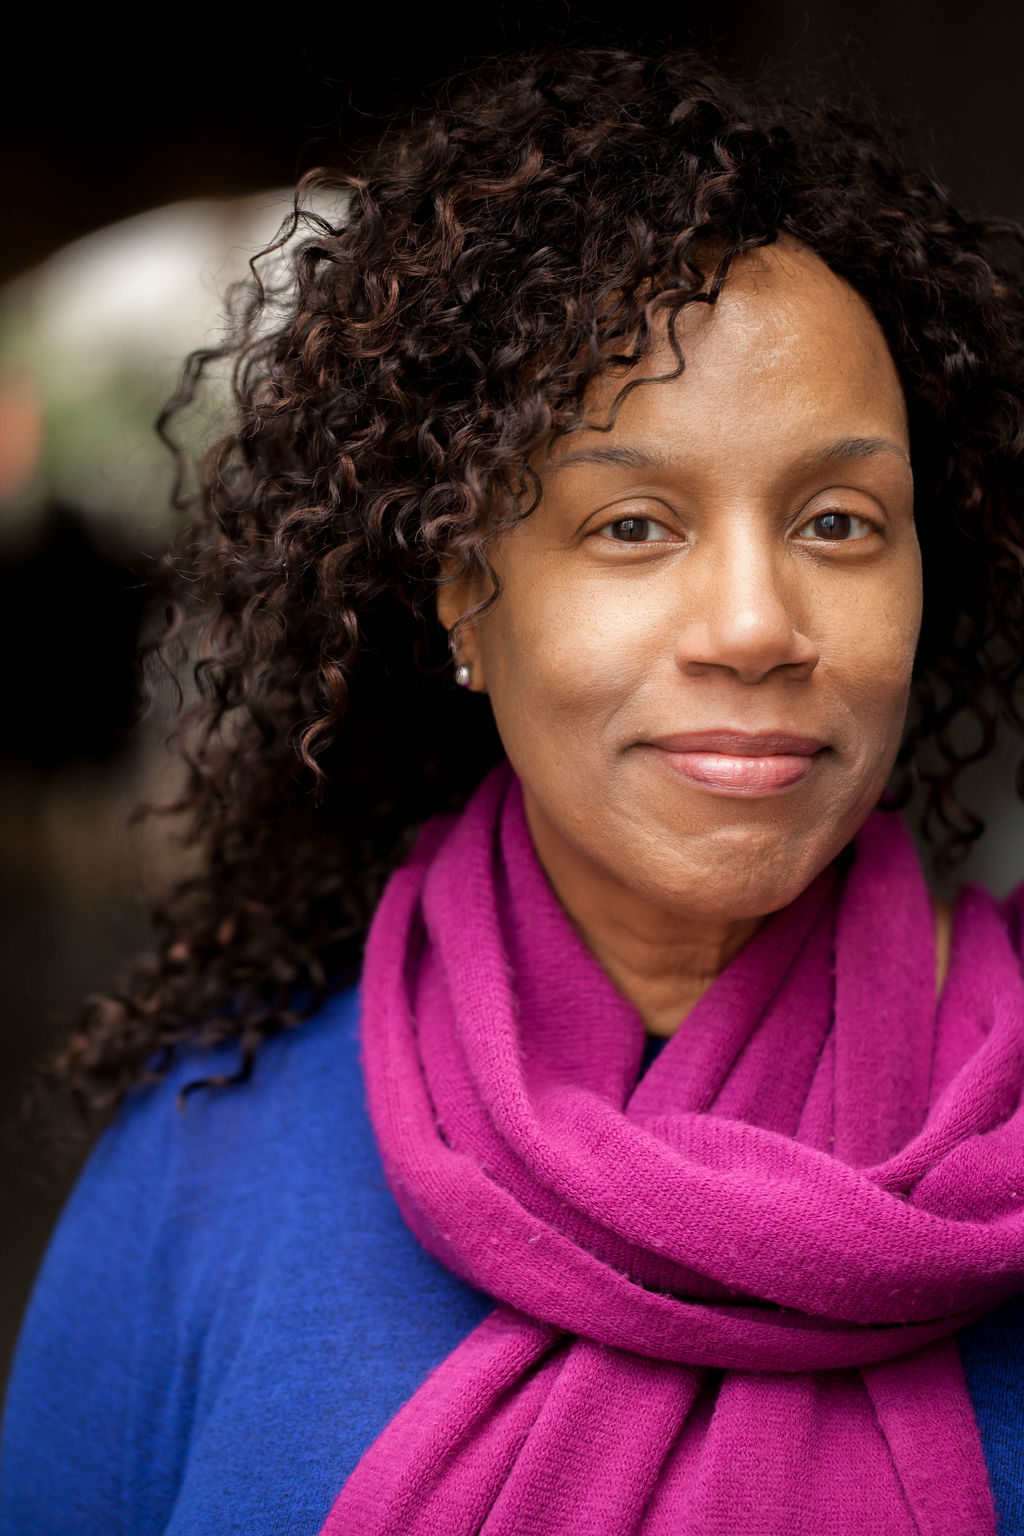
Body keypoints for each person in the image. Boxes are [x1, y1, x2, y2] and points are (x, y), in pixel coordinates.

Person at [2, 46, 1024, 1536]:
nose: (756, 625)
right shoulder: (204, 1164)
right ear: (464, 594)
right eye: (632, 524)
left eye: (839, 521)